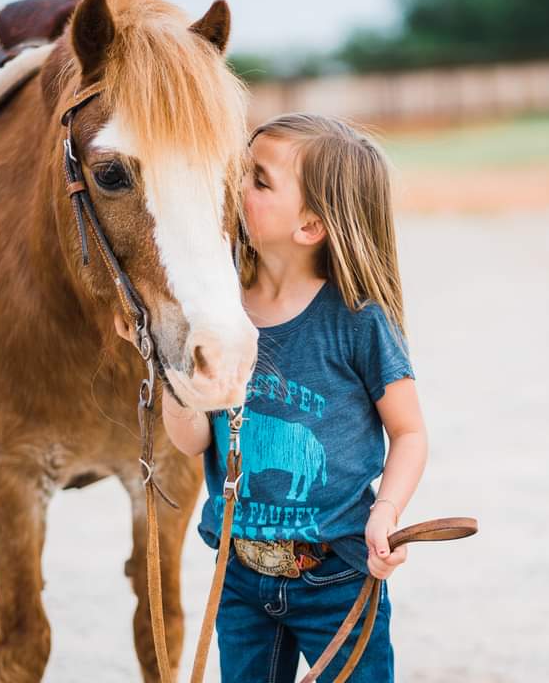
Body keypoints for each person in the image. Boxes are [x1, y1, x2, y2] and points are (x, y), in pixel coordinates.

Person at [165, 113, 427, 681]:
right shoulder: (220, 312)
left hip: (335, 574)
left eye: (258, 181)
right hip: (238, 576)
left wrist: (386, 512)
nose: (235, 188)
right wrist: (174, 366)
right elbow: (190, 441)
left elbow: (409, 432)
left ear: (310, 226)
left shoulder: (357, 323)